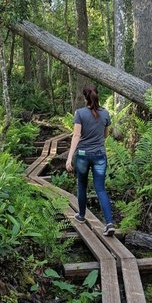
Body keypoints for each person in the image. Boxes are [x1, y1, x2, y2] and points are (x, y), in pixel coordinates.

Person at [66, 84, 115, 236]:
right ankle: (109, 223)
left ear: (85, 97)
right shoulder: (106, 113)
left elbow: (76, 136)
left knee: (82, 185)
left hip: (82, 155)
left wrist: (69, 158)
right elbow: (105, 135)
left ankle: (81, 215)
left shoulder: (79, 113)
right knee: (100, 188)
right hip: (100, 155)